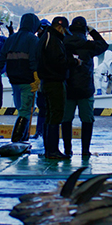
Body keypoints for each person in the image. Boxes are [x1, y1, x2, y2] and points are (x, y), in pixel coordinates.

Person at [61, 17, 109, 157]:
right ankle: (85, 150)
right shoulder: (88, 45)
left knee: (66, 120)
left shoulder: (63, 43)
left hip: (67, 89)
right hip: (85, 89)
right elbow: (104, 45)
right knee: (87, 120)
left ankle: (67, 150)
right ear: (84, 30)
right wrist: (92, 31)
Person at [0, 13, 41, 142]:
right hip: (28, 81)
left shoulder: (11, 39)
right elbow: (33, 60)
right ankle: (17, 139)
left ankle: (22, 138)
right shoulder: (33, 40)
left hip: (13, 80)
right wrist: (36, 77)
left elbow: (1, 59)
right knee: (25, 111)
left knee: (20, 108)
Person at [37, 16, 79, 159]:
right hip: (54, 81)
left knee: (49, 115)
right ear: (60, 27)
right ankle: (53, 150)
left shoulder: (45, 37)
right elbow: (58, 61)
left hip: (46, 82)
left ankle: (49, 149)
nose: (65, 34)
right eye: (64, 30)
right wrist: (74, 61)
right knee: (56, 115)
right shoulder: (53, 40)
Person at [30, 19, 52, 140]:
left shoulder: (49, 42)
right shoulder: (37, 42)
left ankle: (44, 131)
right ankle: (40, 131)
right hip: (41, 79)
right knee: (43, 107)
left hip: (49, 79)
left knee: (47, 108)